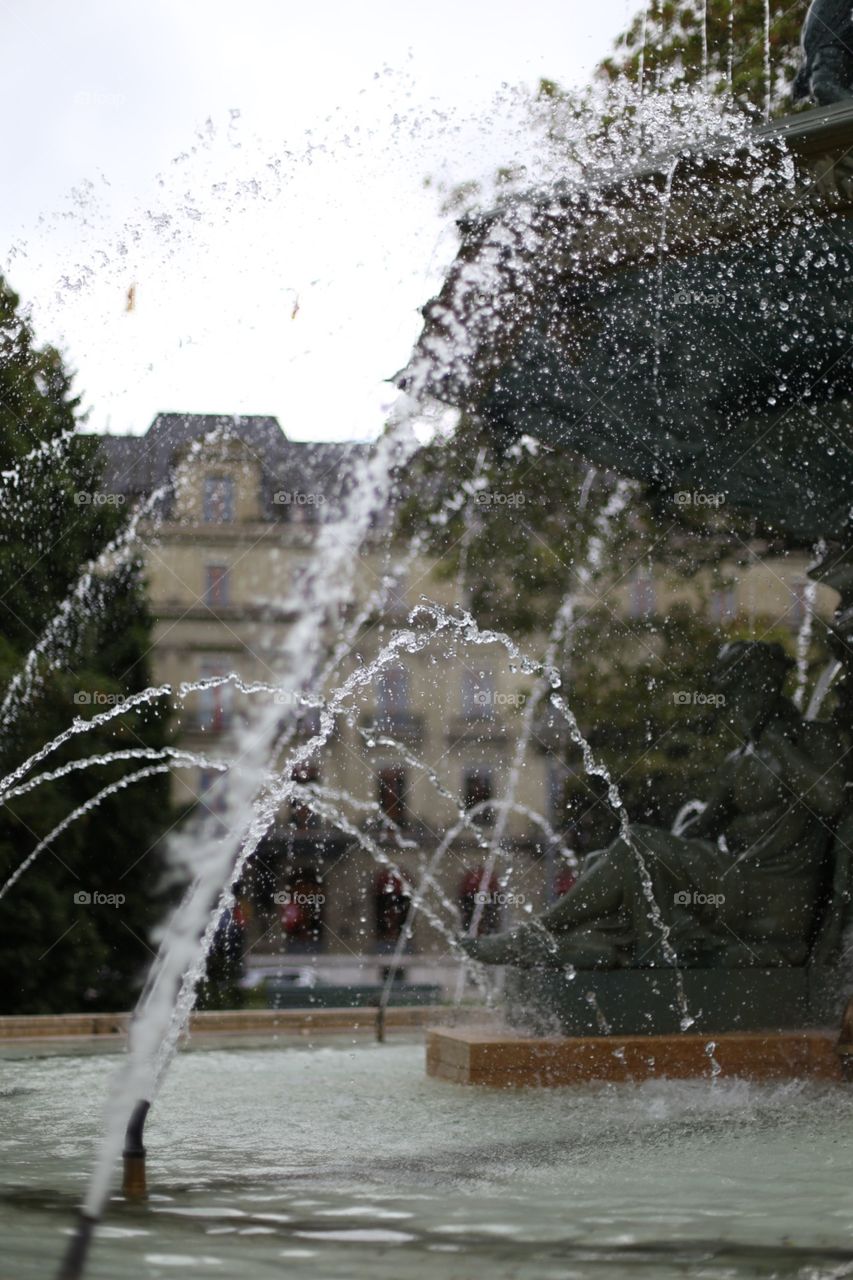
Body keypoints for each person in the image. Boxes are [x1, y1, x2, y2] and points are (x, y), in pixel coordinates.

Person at [461, 642, 847, 969]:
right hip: (737, 885)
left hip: (776, 896)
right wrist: (641, 865)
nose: (733, 704)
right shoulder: (738, 763)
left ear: (768, 686)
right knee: (612, 857)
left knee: (639, 847)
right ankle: (591, 947)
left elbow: (833, 799)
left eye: (742, 690)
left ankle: (535, 935)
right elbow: (700, 832)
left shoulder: (814, 740)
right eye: (729, 693)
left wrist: (774, 739)